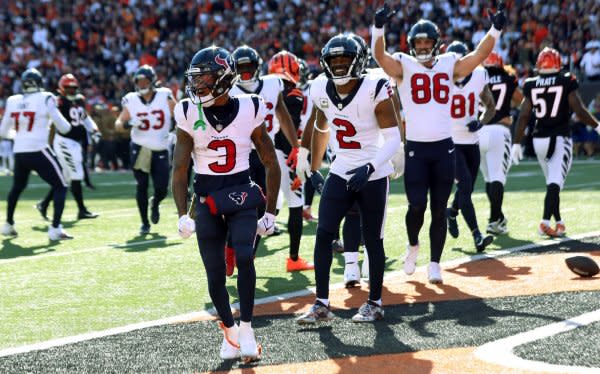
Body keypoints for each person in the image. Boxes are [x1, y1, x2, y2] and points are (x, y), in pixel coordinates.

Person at [371, 2, 506, 283]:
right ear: (411, 44)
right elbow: (379, 56)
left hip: (444, 147)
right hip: (417, 149)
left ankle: (434, 262)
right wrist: (378, 28)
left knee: (439, 208)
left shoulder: (449, 64)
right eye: (418, 42)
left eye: (427, 41)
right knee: (416, 205)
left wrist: (495, 29)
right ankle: (412, 245)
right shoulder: (403, 65)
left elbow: (480, 54)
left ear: (436, 43)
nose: (422, 46)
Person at [171, 46, 280, 361]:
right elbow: (179, 169)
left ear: (223, 78)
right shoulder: (189, 110)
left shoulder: (251, 107)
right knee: (215, 274)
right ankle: (231, 332)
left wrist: (271, 212)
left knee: (245, 256)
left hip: (242, 194)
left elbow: (270, 161)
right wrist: (181, 214)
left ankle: (247, 329)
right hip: (206, 199)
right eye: (196, 77)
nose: (198, 83)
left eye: (204, 76)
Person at [295, 34, 400, 324]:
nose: (339, 66)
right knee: (324, 234)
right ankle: (321, 304)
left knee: (374, 239)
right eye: (334, 61)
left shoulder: (374, 87)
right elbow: (320, 125)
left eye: (345, 60)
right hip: (341, 169)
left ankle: (375, 303)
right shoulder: (319, 87)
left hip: (374, 172)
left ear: (359, 61)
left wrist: (369, 168)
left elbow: (393, 139)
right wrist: (311, 162)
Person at [229, 46, 305, 274]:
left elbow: (282, 114)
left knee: (261, 207)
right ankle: (232, 249)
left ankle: (245, 257)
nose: (244, 73)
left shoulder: (272, 84)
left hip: (266, 153)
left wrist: (295, 145)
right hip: (240, 154)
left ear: (257, 67)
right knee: (238, 207)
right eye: (240, 68)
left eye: (248, 68)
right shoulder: (229, 90)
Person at [513, 47, 600, 237]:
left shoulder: (530, 83)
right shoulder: (566, 80)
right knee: (555, 182)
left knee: (552, 182)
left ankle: (558, 221)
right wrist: (597, 126)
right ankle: (544, 222)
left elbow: (524, 115)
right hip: (559, 138)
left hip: (539, 141)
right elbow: (578, 109)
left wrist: (516, 142)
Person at [0, 68, 73, 240]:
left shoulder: (13, 100)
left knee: (17, 188)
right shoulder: (46, 97)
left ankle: (8, 224)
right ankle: (56, 229)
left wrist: (20, 135)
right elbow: (64, 127)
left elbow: (3, 131)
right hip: (38, 149)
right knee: (61, 185)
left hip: (20, 151)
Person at [444, 41, 496, 252]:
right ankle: (477, 235)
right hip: (451, 142)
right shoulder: (441, 79)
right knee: (465, 186)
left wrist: (481, 121)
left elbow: (490, 106)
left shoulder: (479, 75)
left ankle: (452, 211)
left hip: (471, 142)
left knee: (467, 189)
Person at [115, 65, 176, 234]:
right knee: (141, 185)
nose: (142, 84)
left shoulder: (165, 95)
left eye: (145, 81)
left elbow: (178, 114)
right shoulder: (131, 99)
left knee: (162, 188)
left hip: (161, 148)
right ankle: (144, 223)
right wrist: (128, 124)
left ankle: (155, 203)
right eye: (139, 81)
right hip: (140, 148)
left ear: (152, 81)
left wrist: (175, 130)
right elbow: (118, 124)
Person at [36, 73, 101, 221]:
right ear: (62, 88)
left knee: (63, 179)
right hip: (64, 142)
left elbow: (85, 117)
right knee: (77, 175)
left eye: (73, 88)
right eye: (68, 88)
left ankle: (44, 204)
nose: (71, 90)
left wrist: (94, 130)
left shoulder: (79, 100)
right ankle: (82, 210)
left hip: (75, 143)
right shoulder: (57, 101)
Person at [479, 51, 523, 235]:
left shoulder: (477, 76)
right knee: (497, 177)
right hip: (499, 129)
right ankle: (493, 220)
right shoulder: (508, 77)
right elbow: (521, 100)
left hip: (479, 131)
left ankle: (498, 218)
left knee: (489, 179)